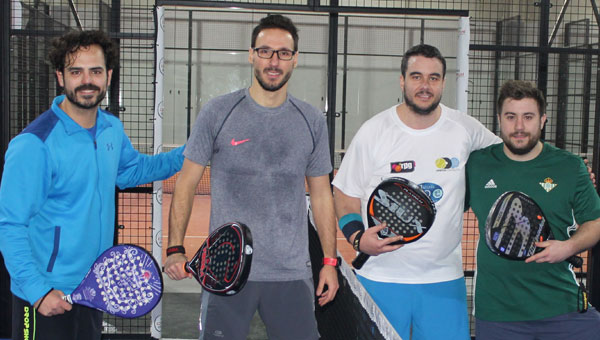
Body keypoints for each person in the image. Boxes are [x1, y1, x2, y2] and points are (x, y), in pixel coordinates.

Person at [163, 14, 339, 340]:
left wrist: (329, 261)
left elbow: (322, 194)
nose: (274, 61)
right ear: (251, 54)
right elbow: (185, 183)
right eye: (265, 51)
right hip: (225, 270)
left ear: (295, 59)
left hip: (290, 273)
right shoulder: (217, 112)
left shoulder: (311, 120)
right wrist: (174, 247)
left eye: (283, 53)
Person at [0, 30, 185, 340]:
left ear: (108, 76)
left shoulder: (111, 128)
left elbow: (133, 170)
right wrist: (38, 291)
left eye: (95, 71)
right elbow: (11, 226)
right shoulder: (34, 145)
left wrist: (189, 154)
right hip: (46, 293)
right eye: (76, 71)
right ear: (61, 77)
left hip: (94, 287)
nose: (87, 80)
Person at [332, 44, 500, 340]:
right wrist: (358, 237)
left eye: (434, 78)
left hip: (443, 282)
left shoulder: (464, 128)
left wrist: (564, 168)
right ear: (402, 80)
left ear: (444, 83)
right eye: (417, 77)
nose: (425, 86)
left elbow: (509, 156)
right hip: (380, 278)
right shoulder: (374, 131)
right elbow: (344, 194)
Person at [465, 80, 600, 340]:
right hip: (498, 314)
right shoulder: (477, 164)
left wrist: (569, 247)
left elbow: (595, 222)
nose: (519, 127)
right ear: (499, 120)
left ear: (542, 120)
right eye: (511, 117)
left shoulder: (570, 166)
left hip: (562, 307)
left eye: (528, 117)